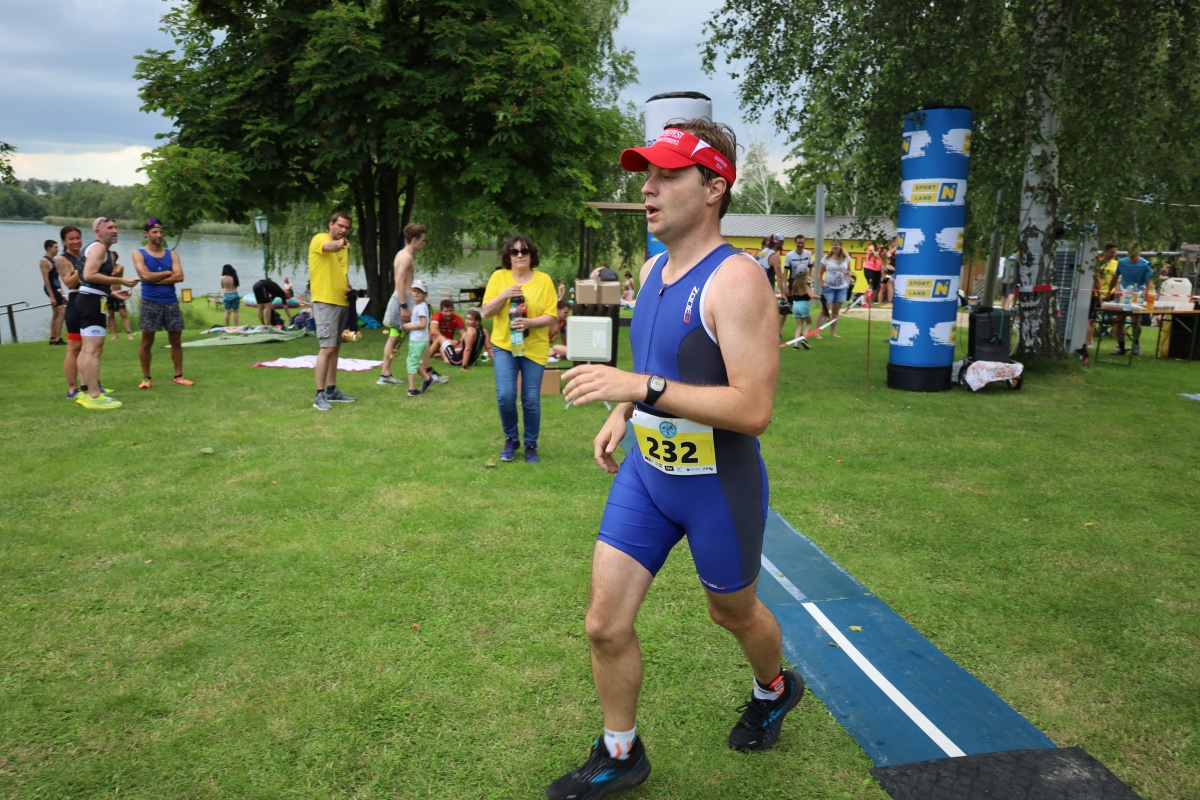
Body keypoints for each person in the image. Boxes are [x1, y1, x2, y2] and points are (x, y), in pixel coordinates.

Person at [554, 119, 804, 800]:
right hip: (648, 475)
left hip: (716, 485)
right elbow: (657, 364)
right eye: (647, 175)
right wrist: (622, 410)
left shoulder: (738, 281)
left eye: (667, 175)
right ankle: (620, 752)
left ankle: (774, 687)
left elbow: (753, 409)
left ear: (714, 188)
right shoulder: (652, 270)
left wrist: (639, 389)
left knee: (732, 613)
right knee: (605, 623)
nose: (648, 189)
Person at [481, 234, 557, 463]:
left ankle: (531, 444)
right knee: (505, 395)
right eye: (515, 252)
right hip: (504, 346)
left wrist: (529, 323)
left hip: (534, 347)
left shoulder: (544, 280)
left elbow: (552, 315)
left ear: (532, 255)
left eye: (525, 251)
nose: (520, 255)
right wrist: (504, 295)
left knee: (531, 399)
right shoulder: (499, 277)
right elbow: (486, 312)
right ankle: (511, 439)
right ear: (509, 256)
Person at [74, 217, 137, 410]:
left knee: (87, 349)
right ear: (98, 232)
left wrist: (111, 293)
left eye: (115, 227)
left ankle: (85, 391)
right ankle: (95, 395)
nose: (114, 230)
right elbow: (89, 275)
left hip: (89, 298)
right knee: (93, 350)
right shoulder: (99, 248)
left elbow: (89, 279)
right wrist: (121, 281)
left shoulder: (94, 248)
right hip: (91, 301)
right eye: (109, 228)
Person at [133, 218, 193, 388]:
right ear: (146, 234)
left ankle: (178, 376)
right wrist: (168, 272)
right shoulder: (139, 254)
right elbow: (145, 276)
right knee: (146, 341)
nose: (159, 235)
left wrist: (155, 278)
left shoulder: (172, 254)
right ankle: (146, 378)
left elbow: (179, 276)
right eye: (154, 232)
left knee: (176, 340)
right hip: (150, 302)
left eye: (160, 232)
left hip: (170, 302)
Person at [309, 211, 356, 411]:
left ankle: (331, 390)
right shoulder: (320, 239)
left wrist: (348, 288)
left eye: (347, 228)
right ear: (331, 224)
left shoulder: (344, 248)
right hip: (324, 302)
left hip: (341, 302)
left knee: (335, 347)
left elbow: (342, 271)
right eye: (340, 226)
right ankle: (319, 395)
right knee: (326, 348)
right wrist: (338, 244)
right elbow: (329, 247)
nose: (343, 230)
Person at [378, 223, 426, 385]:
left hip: (401, 298)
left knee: (395, 337)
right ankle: (385, 374)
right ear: (414, 239)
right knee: (394, 338)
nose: (423, 243)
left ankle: (385, 374)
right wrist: (404, 307)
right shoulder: (406, 257)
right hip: (401, 300)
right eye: (422, 240)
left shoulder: (401, 254)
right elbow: (398, 281)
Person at [1107, 242, 1155, 356]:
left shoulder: (1145, 264)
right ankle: (1121, 347)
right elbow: (1115, 277)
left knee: (1135, 321)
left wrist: (1144, 292)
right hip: (1123, 295)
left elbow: (1149, 282)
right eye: (1131, 253)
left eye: (1135, 253)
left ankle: (1136, 344)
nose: (1132, 256)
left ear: (1140, 253)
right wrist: (1109, 292)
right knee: (1119, 321)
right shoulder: (1122, 262)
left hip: (1137, 296)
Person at [56, 225, 85, 398]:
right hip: (76, 303)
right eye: (71, 239)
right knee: (74, 347)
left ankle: (89, 384)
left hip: (92, 301)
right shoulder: (61, 259)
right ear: (64, 241)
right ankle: (73, 388)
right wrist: (83, 265)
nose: (75, 241)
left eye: (77, 238)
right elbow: (69, 282)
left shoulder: (86, 255)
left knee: (92, 347)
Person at [1079, 242, 1119, 359]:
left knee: (1116, 318)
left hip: (1110, 294)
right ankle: (1088, 341)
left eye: (1115, 252)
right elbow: (1097, 279)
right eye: (1111, 252)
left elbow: (1116, 279)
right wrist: (1100, 293)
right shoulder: (1098, 262)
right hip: (1097, 293)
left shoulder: (1116, 264)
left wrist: (1114, 291)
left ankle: (1119, 344)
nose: (1113, 254)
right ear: (1105, 251)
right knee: (1091, 319)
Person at [401, 280, 436, 396]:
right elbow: (417, 322)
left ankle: (412, 388)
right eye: (414, 290)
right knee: (411, 362)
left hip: (419, 340)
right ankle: (427, 379)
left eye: (420, 291)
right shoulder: (417, 305)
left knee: (411, 364)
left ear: (425, 294)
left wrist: (409, 327)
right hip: (416, 340)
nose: (416, 293)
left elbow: (423, 324)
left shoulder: (421, 307)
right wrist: (409, 324)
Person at [819, 239, 853, 338]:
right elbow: (820, 273)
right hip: (828, 287)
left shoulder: (846, 258)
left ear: (840, 246)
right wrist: (821, 284)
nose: (834, 246)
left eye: (836, 245)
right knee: (824, 310)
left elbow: (850, 271)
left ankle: (832, 333)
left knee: (835, 312)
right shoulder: (826, 259)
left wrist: (849, 273)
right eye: (833, 245)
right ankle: (817, 333)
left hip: (842, 288)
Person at [784, 235, 814, 346]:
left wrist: (811, 276)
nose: (801, 245)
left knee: (804, 304)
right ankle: (781, 332)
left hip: (805, 281)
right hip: (793, 282)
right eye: (799, 243)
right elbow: (785, 272)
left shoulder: (808, 254)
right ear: (795, 243)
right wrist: (785, 286)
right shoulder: (789, 255)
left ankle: (800, 332)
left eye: (802, 243)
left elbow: (811, 266)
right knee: (788, 308)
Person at [39, 239, 67, 345]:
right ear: (49, 248)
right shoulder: (44, 261)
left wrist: (62, 294)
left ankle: (53, 338)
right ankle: (58, 338)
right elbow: (46, 280)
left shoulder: (55, 260)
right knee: (62, 311)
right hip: (50, 288)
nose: (57, 249)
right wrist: (52, 296)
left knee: (56, 313)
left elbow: (57, 279)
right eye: (55, 247)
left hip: (56, 288)